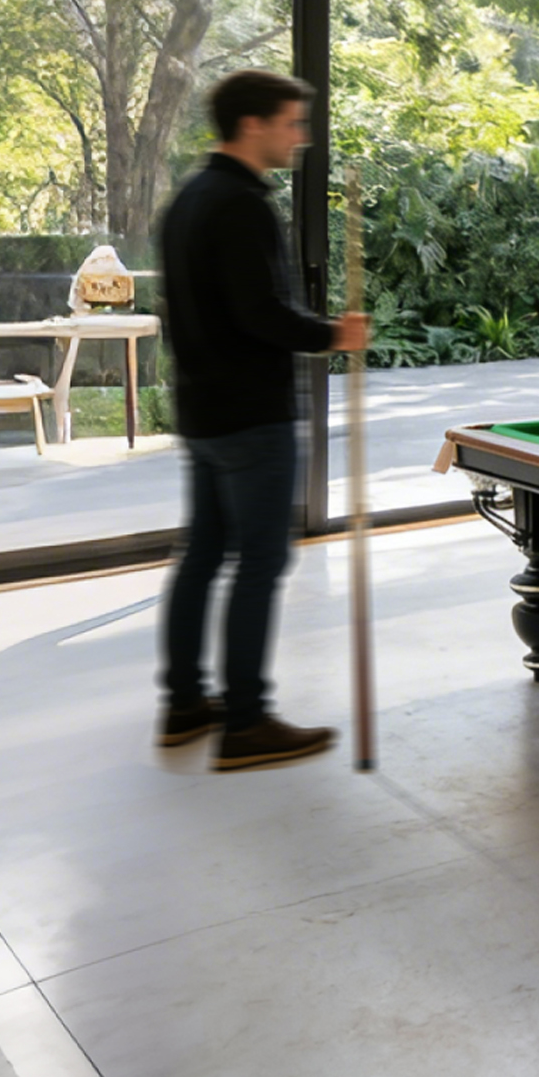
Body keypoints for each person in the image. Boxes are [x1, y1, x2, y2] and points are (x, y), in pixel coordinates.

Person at [156, 70, 368, 771]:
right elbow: (260, 314)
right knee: (261, 561)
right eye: (291, 123)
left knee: (204, 555)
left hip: (204, 412)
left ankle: (185, 704)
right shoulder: (241, 204)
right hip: (251, 416)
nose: (299, 138)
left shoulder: (189, 198)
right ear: (253, 125)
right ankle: (245, 722)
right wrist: (332, 334)